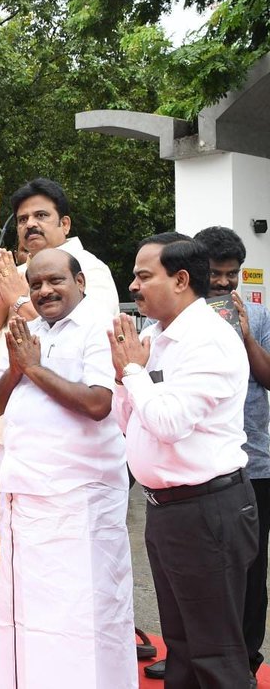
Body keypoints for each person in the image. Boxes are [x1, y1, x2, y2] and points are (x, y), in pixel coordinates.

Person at [0, 248, 135, 688]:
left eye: (55, 281)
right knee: (30, 615)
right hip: (27, 496)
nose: (44, 291)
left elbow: (97, 403)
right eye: (35, 284)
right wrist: (16, 369)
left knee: (83, 616)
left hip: (79, 501)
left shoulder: (98, 328)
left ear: (81, 282)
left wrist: (34, 368)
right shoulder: (27, 328)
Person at [109, 233, 256, 689]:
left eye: (144, 275)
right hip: (167, 508)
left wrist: (134, 372)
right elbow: (127, 423)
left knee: (216, 654)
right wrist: (124, 377)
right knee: (183, 648)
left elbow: (170, 423)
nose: (133, 286)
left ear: (181, 279)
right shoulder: (154, 339)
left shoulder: (208, 340)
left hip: (208, 510)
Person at [0, 178, 119, 449]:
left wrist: (17, 299)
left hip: (65, 427)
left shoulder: (89, 269)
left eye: (41, 215)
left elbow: (87, 330)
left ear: (64, 224)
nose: (30, 225)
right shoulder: (14, 274)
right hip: (5, 419)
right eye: (22, 219)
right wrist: (4, 301)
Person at [193, 226, 270, 681]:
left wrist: (244, 336)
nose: (224, 284)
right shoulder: (177, 316)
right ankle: (193, 659)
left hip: (255, 465)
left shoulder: (257, 316)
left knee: (249, 573)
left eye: (232, 275)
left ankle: (245, 661)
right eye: (216, 274)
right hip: (197, 468)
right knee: (200, 576)